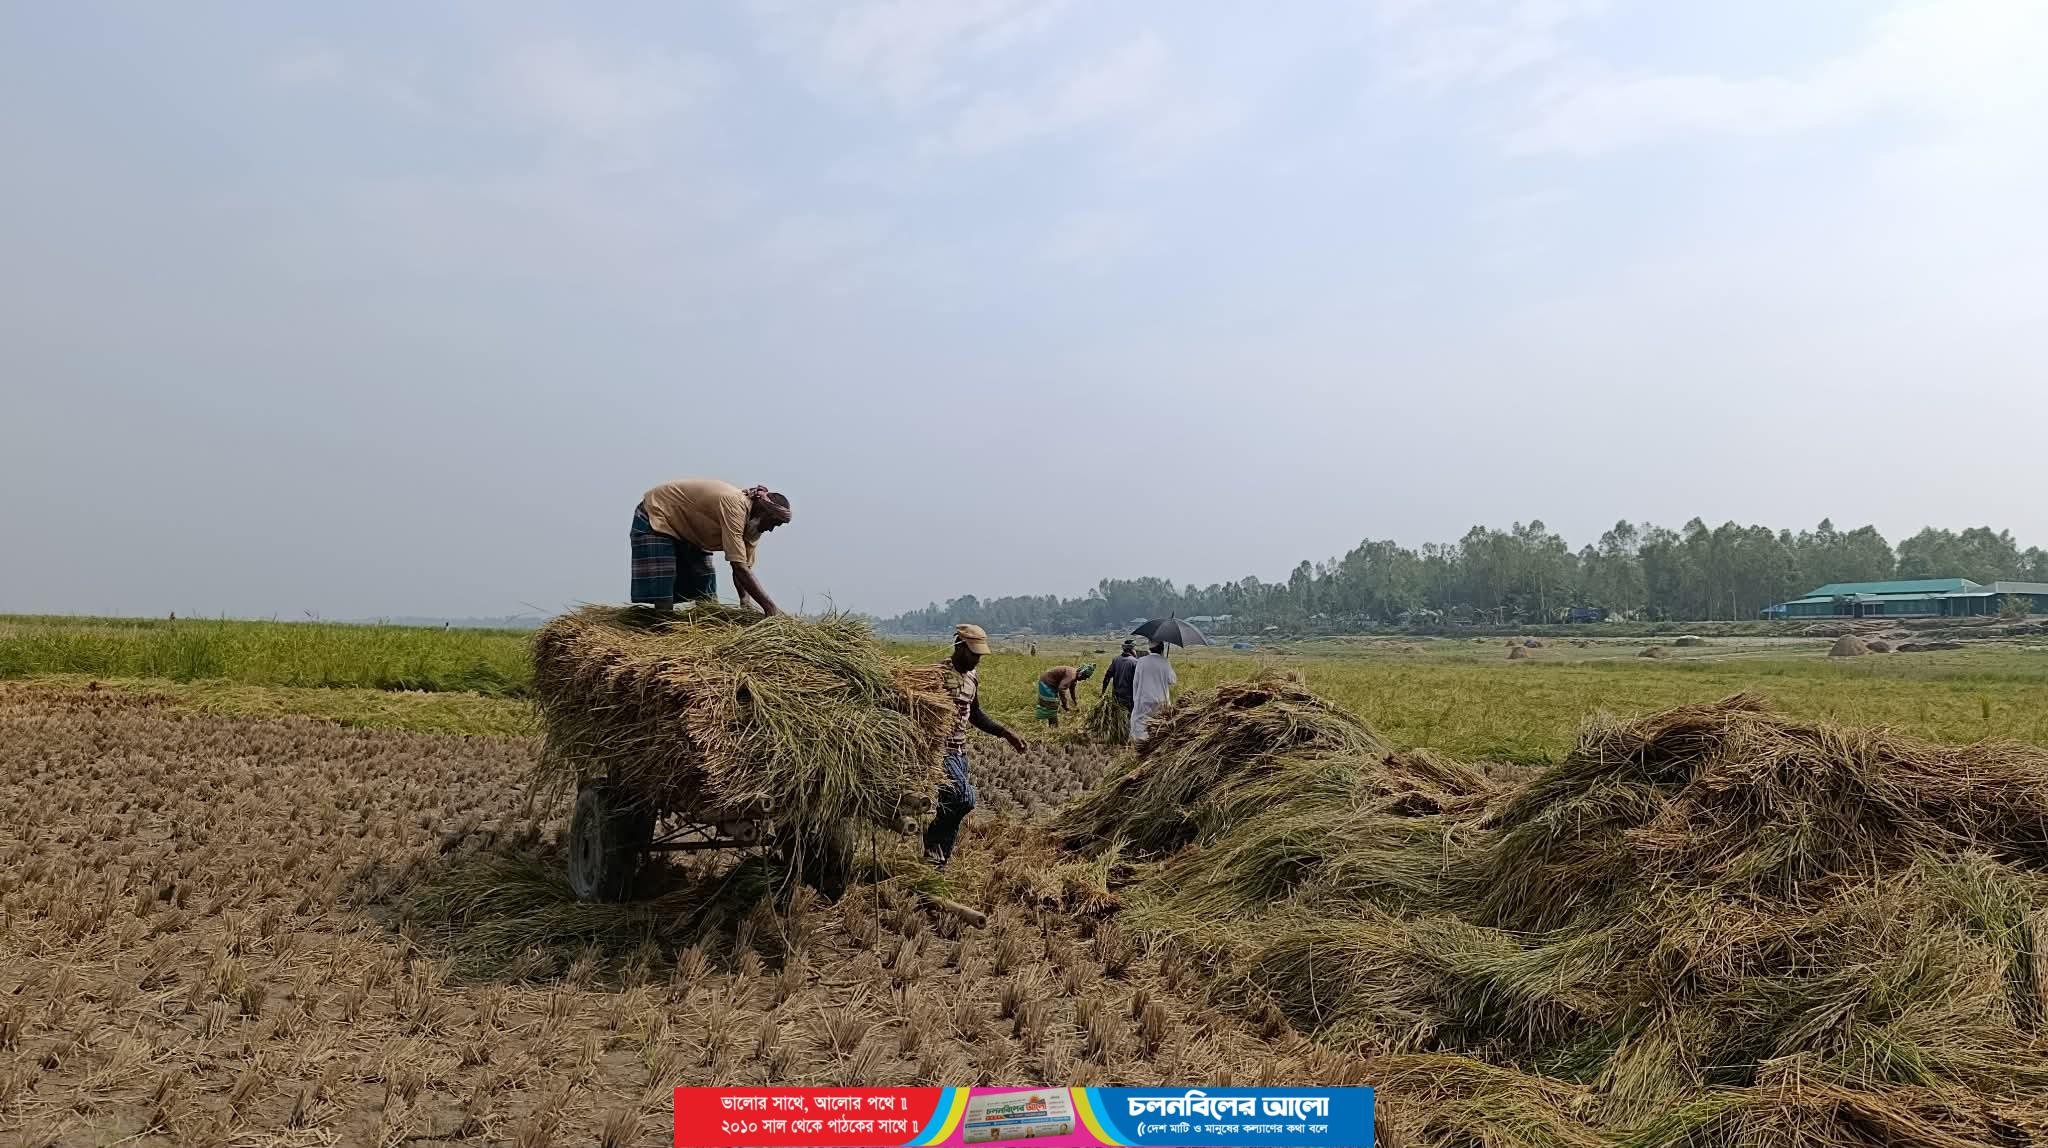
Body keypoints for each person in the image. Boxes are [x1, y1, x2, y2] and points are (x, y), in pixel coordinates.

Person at [925, 624, 1026, 870]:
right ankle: (931, 842)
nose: (977, 659)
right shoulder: (936, 675)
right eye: (973, 654)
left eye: (980, 655)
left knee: (952, 805)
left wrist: (1005, 732)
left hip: (959, 752)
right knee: (965, 798)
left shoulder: (972, 678)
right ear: (959, 647)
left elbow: (975, 713)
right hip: (939, 751)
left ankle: (937, 864)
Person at [630, 479, 791, 614]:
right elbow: (739, 566)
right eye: (773, 523)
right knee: (664, 579)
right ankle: (662, 627)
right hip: (659, 513)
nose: (771, 529)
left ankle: (704, 624)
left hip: (689, 530)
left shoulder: (754, 526)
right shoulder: (735, 506)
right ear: (763, 512)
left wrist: (745, 602)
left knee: (704, 579)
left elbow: (744, 567)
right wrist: (771, 609)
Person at [1129, 641, 1178, 742]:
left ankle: (1141, 748)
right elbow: (1172, 680)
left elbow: (1136, 682)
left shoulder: (1141, 661)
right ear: (1162, 649)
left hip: (1144, 700)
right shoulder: (1165, 662)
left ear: (1150, 649)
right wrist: (1165, 662)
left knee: (1140, 726)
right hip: (1161, 701)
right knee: (1159, 726)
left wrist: (1135, 699)